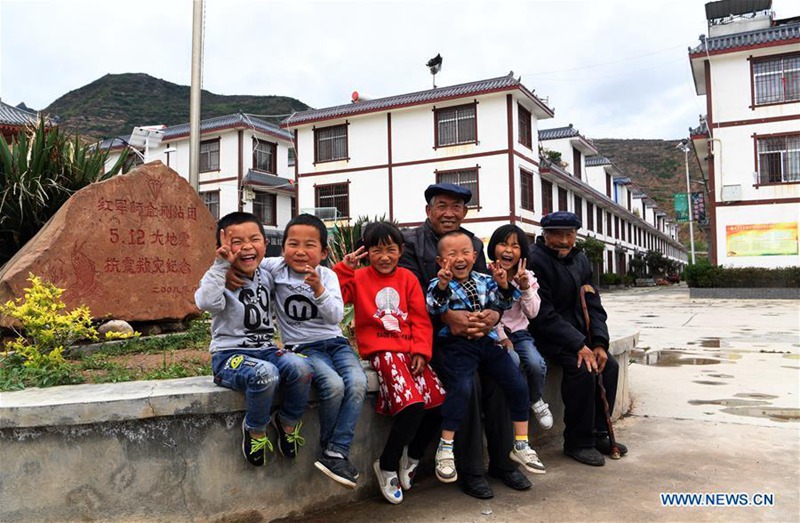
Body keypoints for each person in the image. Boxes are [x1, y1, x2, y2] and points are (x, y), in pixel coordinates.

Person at [399, 182, 531, 498]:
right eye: (441, 205)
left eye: (456, 207)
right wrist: (446, 316)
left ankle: (502, 462)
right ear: (428, 210)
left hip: (476, 336)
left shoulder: (472, 243)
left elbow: (489, 291)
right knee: (467, 383)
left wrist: (492, 317)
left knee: (503, 377)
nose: (449, 212)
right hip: (435, 339)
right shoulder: (410, 243)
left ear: (465, 211)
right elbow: (410, 296)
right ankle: (471, 470)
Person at [230, 214, 368, 487]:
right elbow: (250, 262)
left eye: (310, 245)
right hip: (302, 347)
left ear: (324, 252)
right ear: (282, 249)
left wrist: (318, 289)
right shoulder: (276, 269)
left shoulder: (327, 276)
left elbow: (334, 317)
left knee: (358, 382)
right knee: (332, 385)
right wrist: (231, 267)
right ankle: (332, 450)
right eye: (293, 244)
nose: (301, 251)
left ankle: (335, 450)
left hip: (336, 343)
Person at [333, 221, 445, 505]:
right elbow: (338, 298)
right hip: (383, 352)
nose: (384, 256)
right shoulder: (359, 278)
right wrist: (345, 268)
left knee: (439, 403)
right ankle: (386, 464)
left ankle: (414, 455)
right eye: (376, 250)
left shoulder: (407, 278)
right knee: (412, 406)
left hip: (410, 351)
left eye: (390, 250)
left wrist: (421, 350)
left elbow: (420, 317)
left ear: (400, 251)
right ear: (367, 252)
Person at [195, 212, 313, 467]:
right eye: (237, 241)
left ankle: (287, 423)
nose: (247, 246)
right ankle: (255, 430)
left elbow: (292, 263)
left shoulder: (267, 273)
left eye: (254, 239)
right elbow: (205, 302)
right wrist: (220, 267)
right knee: (266, 374)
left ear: (265, 243)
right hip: (229, 356)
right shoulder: (217, 278)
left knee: (302, 368)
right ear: (222, 247)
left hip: (266, 350)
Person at [426, 231, 545, 484]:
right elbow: (434, 307)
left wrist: (502, 284)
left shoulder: (485, 279)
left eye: (465, 253)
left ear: (475, 256)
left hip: (487, 342)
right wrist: (443, 284)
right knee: (462, 387)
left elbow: (502, 302)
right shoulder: (438, 282)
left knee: (516, 382)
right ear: (440, 261)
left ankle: (521, 445)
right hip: (457, 346)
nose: (459, 259)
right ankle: (446, 447)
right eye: (451, 254)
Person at [527, 211, 628, 466]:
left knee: (609, 365)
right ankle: (578, 441)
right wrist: (577, 344)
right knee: (582, 368)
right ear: (545, 235)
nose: (563, 241)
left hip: (580, 335)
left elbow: (593, 304)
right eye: (557, 235)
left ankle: (598, 434)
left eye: (569, 235)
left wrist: (599, 343)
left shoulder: (581, 260)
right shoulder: (536, 261)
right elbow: (543, 314)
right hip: (548, 335)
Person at [487, 224, 553, 437]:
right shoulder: (486, 276)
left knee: (535, 362)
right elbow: (489, 310)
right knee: (512, 361)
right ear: (493, 249)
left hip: (521, 333)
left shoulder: (528, 276)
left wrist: (524, 287)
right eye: (503, 244)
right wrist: (502, 337)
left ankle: (535, 399)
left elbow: (533, 313)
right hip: (496, 335)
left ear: (522, 253)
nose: (508, 250)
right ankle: (514, 402)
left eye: (515, 246)